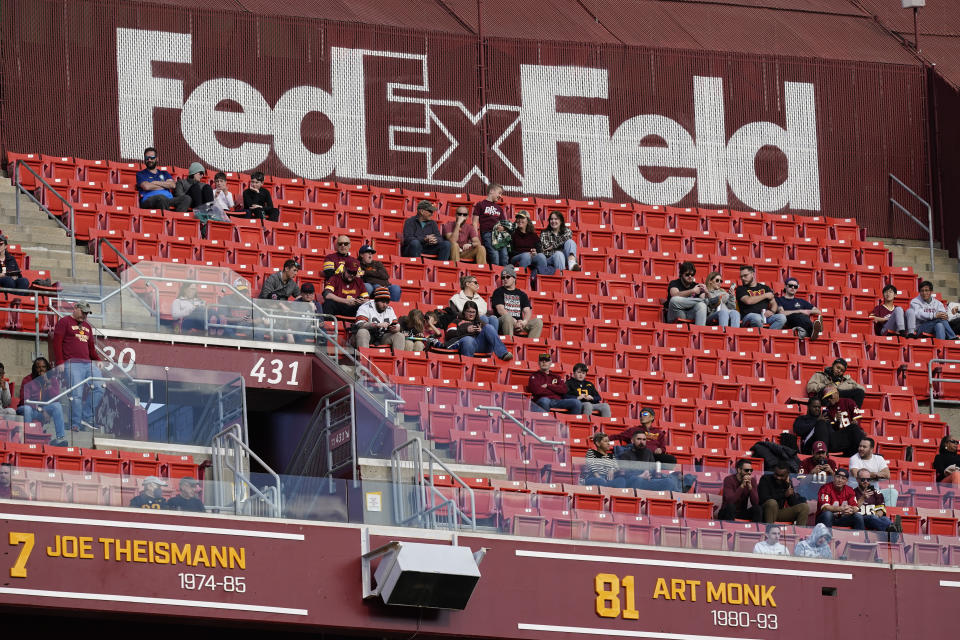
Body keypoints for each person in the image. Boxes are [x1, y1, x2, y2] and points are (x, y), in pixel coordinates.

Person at [51, 301, 103, 432]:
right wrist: (60, 362)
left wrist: (97, 359)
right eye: (83, 312)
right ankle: (76, 423)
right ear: (75, 308)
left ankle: (86, 416)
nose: (85, 315)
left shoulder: (87, 327)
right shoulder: (64, 321)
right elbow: (57, 343)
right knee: (77, 394)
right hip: (72, 363)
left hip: (88, 364)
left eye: (86, 313)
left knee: (100, 387)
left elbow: (91, 347)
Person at [17, 357, 66, 446]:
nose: (41, 369)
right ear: (34, 369)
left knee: (57, 406)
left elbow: (55, 398)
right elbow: (25, 400)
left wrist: (47, 382)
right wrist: (42, 410)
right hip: (29, 410)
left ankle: (60, 438)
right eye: (38, 367)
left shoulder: (52, 380)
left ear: (47, 368)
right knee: (27, 409)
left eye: (43, 367)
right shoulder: (27, 380)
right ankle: (28, 439)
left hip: (43, 410)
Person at [443, 301, 512, 360]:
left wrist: (481, 331)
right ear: (464, 312)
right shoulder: (456, 321)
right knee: (468, 339)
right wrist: (466, 330)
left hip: (480, 344)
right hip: (466, 344)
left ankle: (503, 354)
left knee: (488, 327)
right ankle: (468, 366)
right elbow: (449, 334)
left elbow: (489, 332)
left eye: (473, 312)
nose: (471, 314)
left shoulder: (479, 322)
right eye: (469, 312)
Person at [490, 266, 543, 338]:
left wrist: (524, 322)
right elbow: (500, 310)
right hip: (503, 322)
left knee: (538, 322)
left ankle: (529, 345)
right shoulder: (498, 292)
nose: (505, 279)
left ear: (514, 278)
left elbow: (527, 310)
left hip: (519, 323)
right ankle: (510, 344)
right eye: (503, 277)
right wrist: (514, 321)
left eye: (508, 277)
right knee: (507, 317)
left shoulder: (522, 294)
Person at [136, 147, 190, 211]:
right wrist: (164, 185)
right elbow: (146, 187)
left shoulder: (164, 173)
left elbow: (172, 185)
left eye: (152, 158)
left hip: (168, 199)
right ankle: (166, 219)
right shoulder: (141, 174)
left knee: (186, 198)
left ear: (157, 159)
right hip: (149, 200)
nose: (149, 160)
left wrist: (156, 182)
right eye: (147, 158)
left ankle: (177, 219)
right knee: (161, 198)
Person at [353, 286, 405, 351]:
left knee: (399, 336)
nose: (385, 305)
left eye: (387, 302)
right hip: (368, 336)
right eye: (383, 302)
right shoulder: (365, 307)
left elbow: (396, 324)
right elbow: (359, 325)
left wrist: (397, 328)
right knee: (362, 332)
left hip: (382, 337)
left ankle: (397, 360)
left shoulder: (390, 309)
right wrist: (377, 325)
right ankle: (364, 359)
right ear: (376, 301)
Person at [736, 265, 786, 329]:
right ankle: (761, 336)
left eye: (745, 275)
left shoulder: (765, 288)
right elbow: (748, 301)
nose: (743, 278)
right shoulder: (740, 289)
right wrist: (765, 295)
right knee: (757, 318)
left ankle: (767, 336)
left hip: (764, 316)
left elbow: (773, 303)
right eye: (741, 276)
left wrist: (772, 311)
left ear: (752, 274)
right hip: (748, 316)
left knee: (782, 318)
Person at [854, 468, 898, 539]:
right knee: (873, 517)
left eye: (868, 480)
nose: (866, 481)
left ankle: (892, 535)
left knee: (885, 519)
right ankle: (892, 534)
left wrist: (877, 516)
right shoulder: (852, 493)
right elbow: (852, 509)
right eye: (863, 479)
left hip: (875, 519)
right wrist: (863, 498)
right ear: (857, 479)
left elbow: (880, 510)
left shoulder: (877, 493)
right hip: (861, 519)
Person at [472, 183, 508, 266]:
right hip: (487, 233)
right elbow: (474, 222)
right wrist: (475, 237)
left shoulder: (499, 208)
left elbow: (504, 224)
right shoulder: (480, 205)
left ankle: (504, 275)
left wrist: (502, 228)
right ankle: (495, 276)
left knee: (504, 256)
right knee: (494, 256)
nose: (500, 196)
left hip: (499, 235)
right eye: (499, 193)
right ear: (491, 191)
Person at [508, 211, 549, 277]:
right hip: (516, 257)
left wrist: (535, 252)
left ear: (527, 221)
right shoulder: (513, 234)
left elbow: (539, 249)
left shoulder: (533, 235)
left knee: (541, 256)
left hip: (531, 256)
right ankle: (522, 279)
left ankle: (542, 280)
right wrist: (525, 253)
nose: (519, 220)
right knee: (526, 256)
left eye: (522, 218)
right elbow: (510, 251)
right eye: (518, 218)